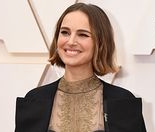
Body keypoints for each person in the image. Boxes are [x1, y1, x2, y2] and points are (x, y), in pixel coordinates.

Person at [15, 3, 146, 132]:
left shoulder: (123, 101)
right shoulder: (34, 100)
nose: (71, 41)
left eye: (83, 34)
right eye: (65, 32)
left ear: (100, 43)